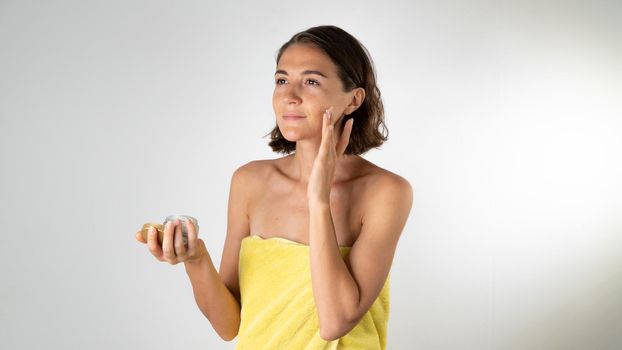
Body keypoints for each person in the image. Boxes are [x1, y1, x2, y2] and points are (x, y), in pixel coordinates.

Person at [136, 25, 413, 349]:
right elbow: (229, 325)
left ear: (353, 99)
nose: (289, 96)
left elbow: (336, 321)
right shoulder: (249, 181)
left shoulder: (386, 192)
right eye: (281, 80)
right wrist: (196, 258)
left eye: (311, 81)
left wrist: (319, 201)